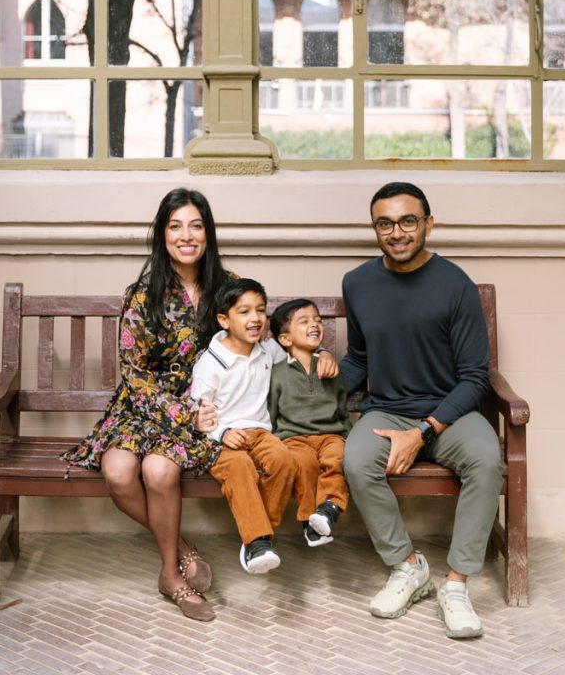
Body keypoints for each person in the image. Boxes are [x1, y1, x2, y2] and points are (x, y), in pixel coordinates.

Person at [339, 181, 504, 640]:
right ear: (375, 228)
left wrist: (424, 431)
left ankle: (455, 585)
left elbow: (475, 376)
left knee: (487, 460)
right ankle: (407, 566)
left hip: (447, 412)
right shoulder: (357, 283)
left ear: (428, 223)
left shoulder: (455, 285)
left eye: (408, 221)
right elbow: (359, 358)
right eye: (385, 223)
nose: (397, 232)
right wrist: (309, 390)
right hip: (387, 410)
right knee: (355, 460)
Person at [62, 187, 233, 623]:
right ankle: (181, 549)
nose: (186, 235)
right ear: (161, 235)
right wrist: (181, 414)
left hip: (202, 409)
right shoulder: (142, 295)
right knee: (118, 473)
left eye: (196, 225)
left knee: (159, 470)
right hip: (144, 406)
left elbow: (253, 346)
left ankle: (170, 577)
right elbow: (135, 374)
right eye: (175, 226)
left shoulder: (229, 292)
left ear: (208, 233)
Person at [190, 278, 339, 574]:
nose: (255, 318)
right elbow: (198, 413)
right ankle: (257, 539)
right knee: (240, 467)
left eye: (260, 310)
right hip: (221, 439)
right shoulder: (211, 362)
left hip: (261, 433)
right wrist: (222, 433)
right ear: (224, 320)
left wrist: (324, 353)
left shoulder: (267, 351)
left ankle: (256, 537)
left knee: (284, 460)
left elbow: (299, 348)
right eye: (244, 312)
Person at [268, 298, 351, 547]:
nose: (315, 324)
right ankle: (310, 523)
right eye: (304, 321)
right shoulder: (277, 373)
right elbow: (271, 411)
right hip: (293, 437)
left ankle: (329, 509)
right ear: (285, 339)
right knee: (303, 464)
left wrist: (349, 436)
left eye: (317, 320)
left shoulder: (328, 367)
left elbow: (341, 406)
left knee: (337, 458)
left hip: (331, 435)